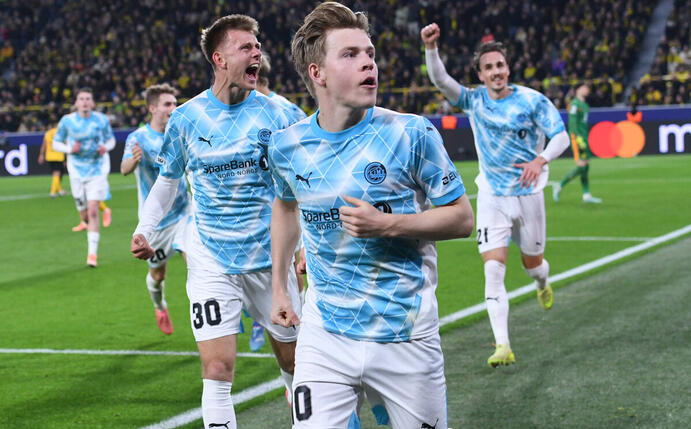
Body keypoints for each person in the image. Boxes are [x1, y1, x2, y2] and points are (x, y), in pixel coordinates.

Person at [269, 3, 474, 428]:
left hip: (404, 334)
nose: (368, 63)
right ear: (317, 73)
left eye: (370, 54)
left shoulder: (411, 132)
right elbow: (286, 206)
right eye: (350, 54)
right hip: (324, 334)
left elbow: (462, 218)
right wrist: (279, 288)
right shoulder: (286, 146)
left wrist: (388, 225)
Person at [129, 15, 300, 429]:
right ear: (219, 59)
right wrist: (144, 229)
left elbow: (296, 192)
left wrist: (303, 249)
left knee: (294, 362)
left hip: (269, 259)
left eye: (258, 46)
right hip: (211, 260)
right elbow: (167, 181)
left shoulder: (277, 115)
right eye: (246, 47)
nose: (257, 52)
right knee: (217, 370)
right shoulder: (187, 118)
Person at [421, 23, 570, 367]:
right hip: (491, 196)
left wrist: (541, 159)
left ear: (508, 68)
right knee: (493, 270)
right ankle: (503, 344)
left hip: (529, 194)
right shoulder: (474, 100)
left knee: (533, 266)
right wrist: (430, 48)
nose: (495, 72)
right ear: (481, 74)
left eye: (499, 65)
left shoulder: (532, 100)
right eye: (488, 67)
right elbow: (441, 80)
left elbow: (560, 136)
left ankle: (542, 282)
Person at [244, 52, 309, 352]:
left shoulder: (283, 111)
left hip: (285, 207)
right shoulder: (243, 111)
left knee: (292, 269)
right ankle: (265, 316)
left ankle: (297, 317)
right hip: (259, 213)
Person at [121, 83, 191, 336]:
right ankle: (160, 306)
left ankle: (213, 309)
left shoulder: (180, 132)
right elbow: (124, 169)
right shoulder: (138, 138)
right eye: (167, 104)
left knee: (195, 260)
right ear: (152, 108)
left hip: (185, 211)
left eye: (175, 103)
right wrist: (133, 160)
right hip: (158, 220)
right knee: (158, 275)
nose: (173, 108)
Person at [52, 87, 116, 267]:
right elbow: (56, 143)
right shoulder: (67, 121)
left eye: (88, 98)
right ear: (76, 103)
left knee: (93, 209)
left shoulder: (101, 120)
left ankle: (92, 255)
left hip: (98, 169)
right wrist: (69, 149)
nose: (85, 102)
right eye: (82, 99)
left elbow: (111, 140)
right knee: (85, 213)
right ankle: (87, 219)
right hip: (76, 171)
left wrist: (105, 147)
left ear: (93, 102)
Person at [553, 83, 602, 203]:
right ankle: (560, 185)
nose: (587, 89)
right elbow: (572, 123)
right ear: (577, 90)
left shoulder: (585, 105)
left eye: (588, 88)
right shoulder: (574, 104)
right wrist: (578, 138)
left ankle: (586, 195)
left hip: (584, 137)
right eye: (584, 87)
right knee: (582, 165)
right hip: (577, 138)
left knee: (586, 165)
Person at [37, 123, 67, 198]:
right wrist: (66, 158)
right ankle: (52, 192)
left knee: (55, 174)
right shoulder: (60, 133)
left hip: (49, 156)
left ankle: (60, 191)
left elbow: (44, 145)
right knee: (57, 174)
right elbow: (65, 145)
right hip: (58, 156)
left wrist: (41, 154)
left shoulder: (48, 133)